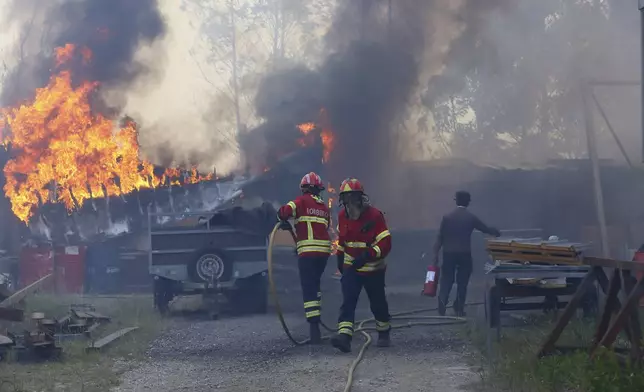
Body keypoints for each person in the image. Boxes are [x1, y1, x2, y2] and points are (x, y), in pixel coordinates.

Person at [330, 178, 392, 353]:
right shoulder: (342, 216)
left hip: (374, 269)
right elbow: (342, 240)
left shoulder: (374, 215)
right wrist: (340, 259)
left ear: (360, 198)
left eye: (352, 197)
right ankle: (344, 338)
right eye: (346, 198)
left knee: (377, 303)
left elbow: (386, 242)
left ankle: (384, 332)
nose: (349, 203)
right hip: (352, 269)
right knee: (348, 302)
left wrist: (368, 255)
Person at [278, 172, 331, 344]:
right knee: (315, 285)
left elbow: (285, 212)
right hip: (323, 254)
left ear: (304, 188)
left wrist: (281, 217)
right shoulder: (324, 207)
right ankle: (317, 321)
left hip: (308, 253)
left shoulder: (300, 201)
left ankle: (314, 330)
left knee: (308, 289)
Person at [433, 191, 500, 317]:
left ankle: (442, 304)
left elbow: (440, 237)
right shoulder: (470, 218)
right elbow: (485, 229)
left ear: (456, 201)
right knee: (462, 282)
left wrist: (435, 255)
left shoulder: (447, 217)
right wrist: (495, 232)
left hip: (448, 254)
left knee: (447, 280)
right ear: (468, 202)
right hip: (464, 254)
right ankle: (459, 308)